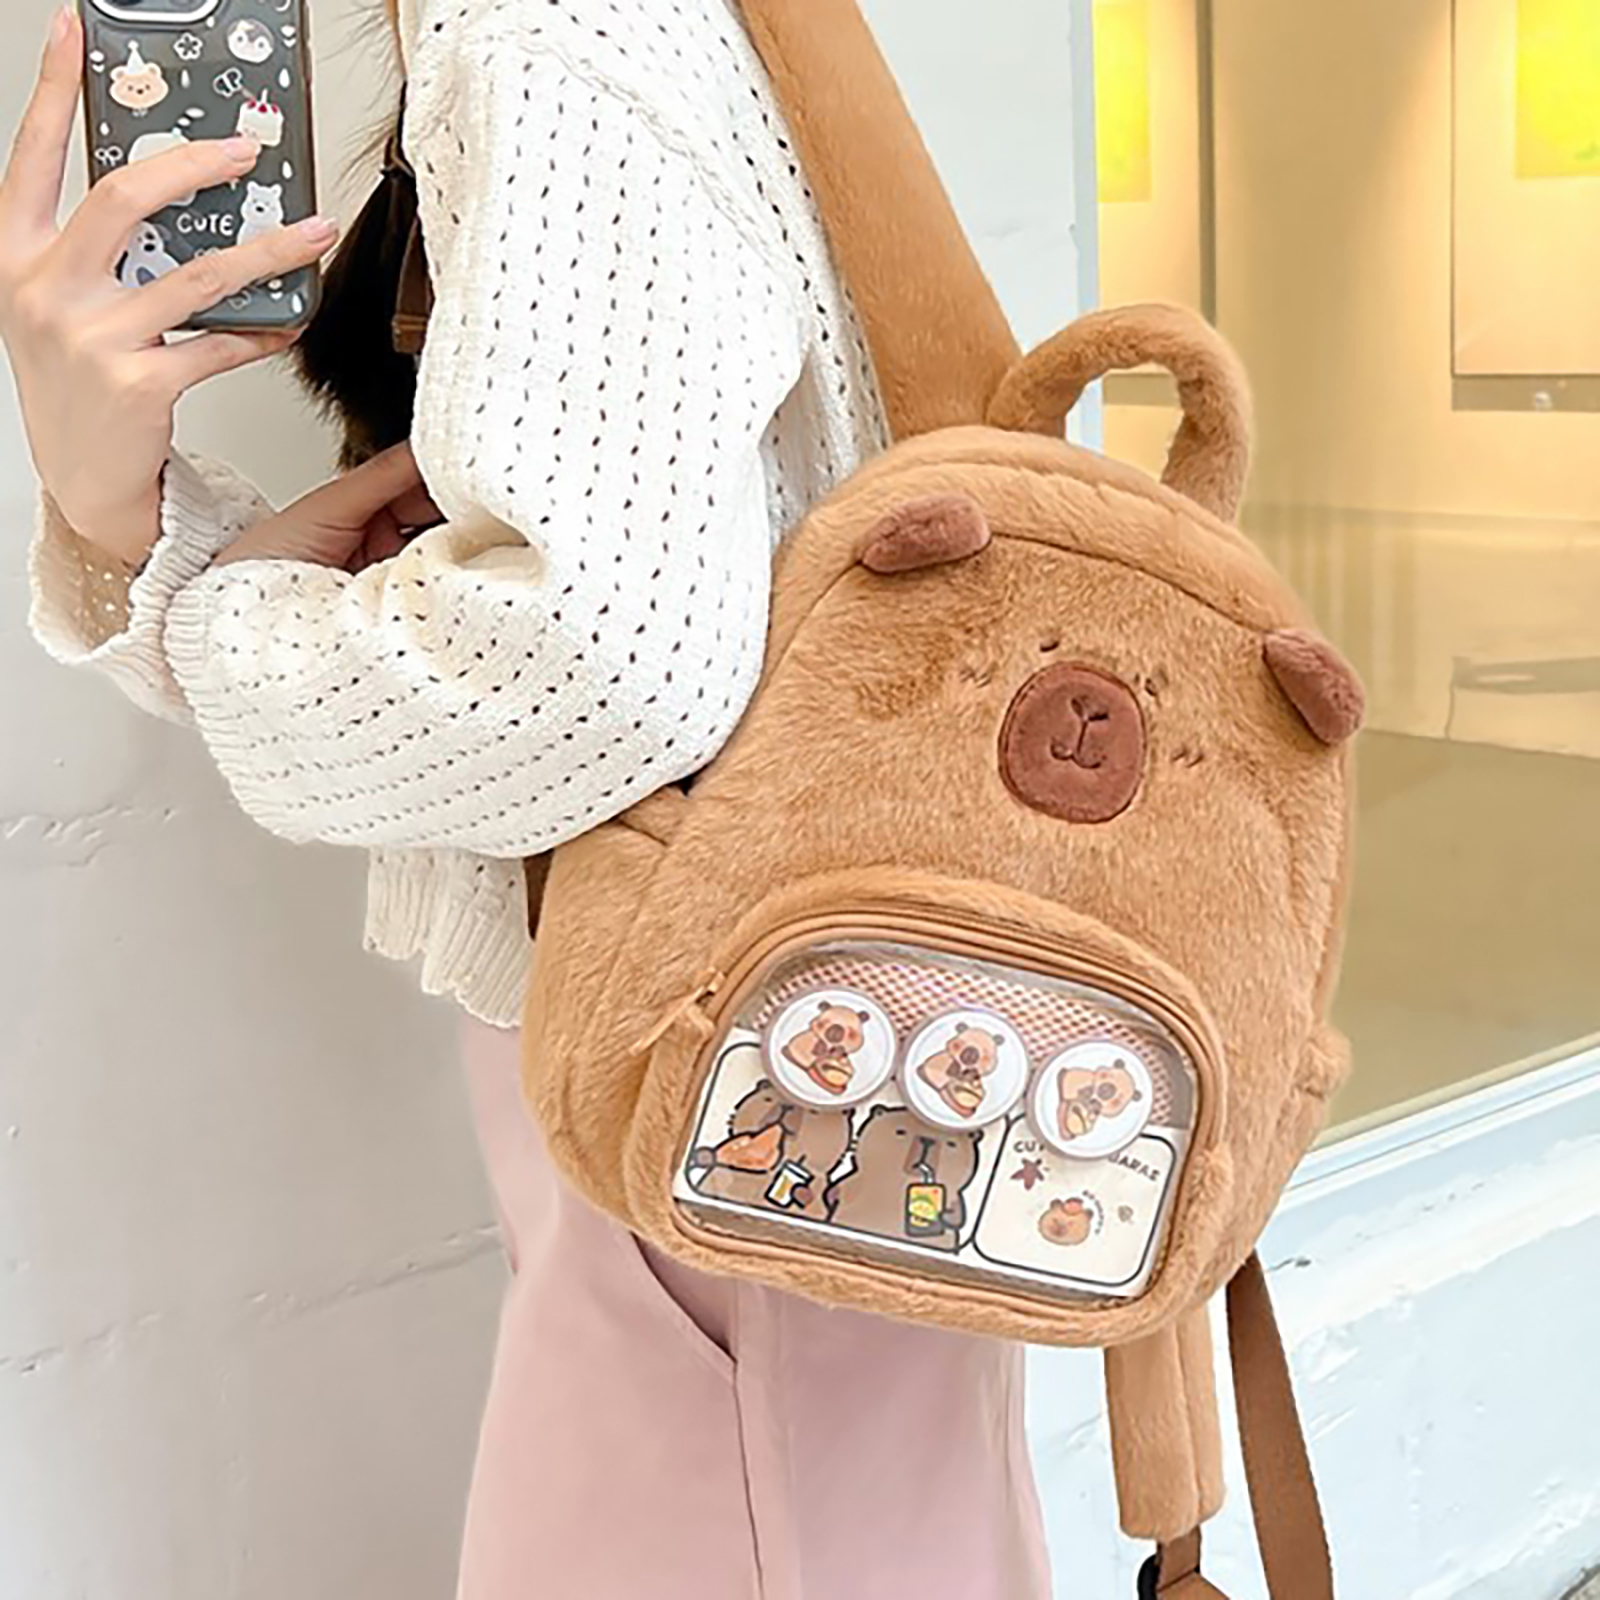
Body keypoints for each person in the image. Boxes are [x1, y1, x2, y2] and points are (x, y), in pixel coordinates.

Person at [1, 2, 1051, 1594]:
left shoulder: (550, 30)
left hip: (699, 1116)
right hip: (818, 1079)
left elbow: (602, 664)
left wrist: (190, 593)